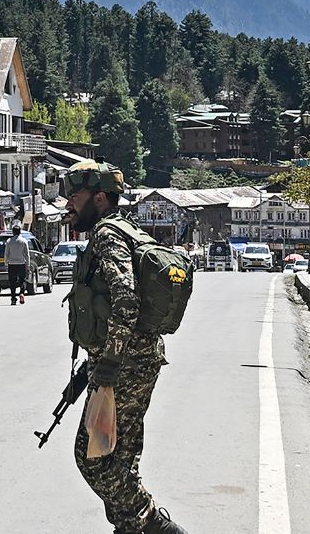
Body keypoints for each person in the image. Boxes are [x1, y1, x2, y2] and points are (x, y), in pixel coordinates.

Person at [63, 159, 187, 534]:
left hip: (125, 367)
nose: (69, 202)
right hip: (136, 360)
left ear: (99, 198)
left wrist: (110, 361)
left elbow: (126, 298)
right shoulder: (125, 230)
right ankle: (130, 529)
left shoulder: (106, 234)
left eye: (76, 194)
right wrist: (90, 366)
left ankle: (155, 525)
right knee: (120, 459)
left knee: (93, 458)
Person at [5, 225, 30, 305]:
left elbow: (6, 254)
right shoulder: (23, 241)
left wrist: (6, 263)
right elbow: (27, 254)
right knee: (23, 280)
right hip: (21, 264)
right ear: (20, 232)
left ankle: (13, 298)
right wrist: (28, 264)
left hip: (11, 264)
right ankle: (22, 293)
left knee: (12, 282)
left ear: (13, 232)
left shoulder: (9, 241)